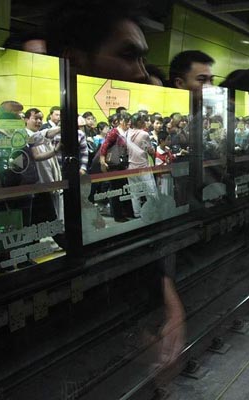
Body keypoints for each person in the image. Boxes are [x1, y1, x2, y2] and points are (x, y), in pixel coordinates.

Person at [43, 0, 185, 364]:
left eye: (142, 58)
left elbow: (134, 240)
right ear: (73, 59)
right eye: (128, 55)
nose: (141, 72)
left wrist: (164, 291)